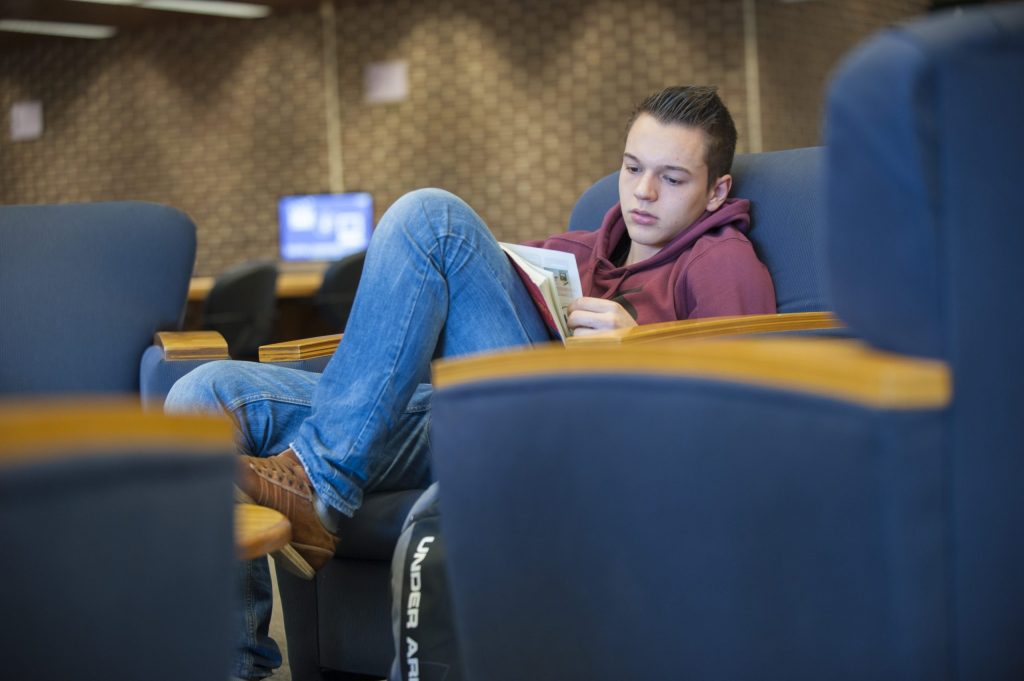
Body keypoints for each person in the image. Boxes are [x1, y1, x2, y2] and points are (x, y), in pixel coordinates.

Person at [165, 84, 775, 680]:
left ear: (717, 190)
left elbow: (750, 399)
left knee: (431, 216)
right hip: (465, 415)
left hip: (574, 437)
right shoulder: (577, 249)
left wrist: (637, 343)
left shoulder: (721, 260)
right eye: (633, 167)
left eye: (672, 178)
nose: (643, 192)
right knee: (203, 394)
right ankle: (237, 664)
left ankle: (319, 484)